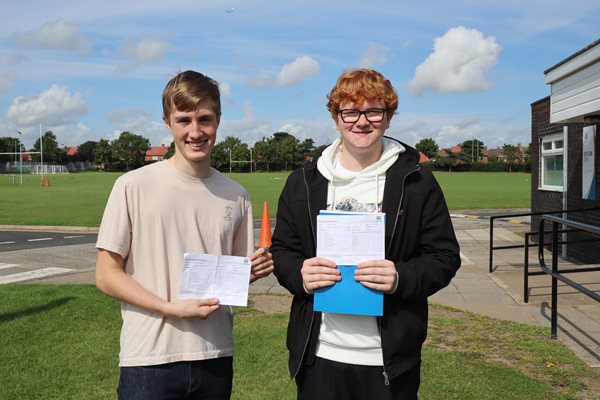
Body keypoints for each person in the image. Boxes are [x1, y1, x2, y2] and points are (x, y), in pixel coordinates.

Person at [271, 69, 461, 399]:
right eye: (350, 111)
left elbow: (444, 257)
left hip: (388, 360)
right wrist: (300, 273)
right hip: (319, 355)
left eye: (374, 111)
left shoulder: (416, 181)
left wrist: (401, 276)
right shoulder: (303, 181)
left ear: (388, 118)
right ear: (336, 117)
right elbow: (283, 251)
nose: (362, 121)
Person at [95, 70, 274, 400]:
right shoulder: (132, 186)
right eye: (184, 120)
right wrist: (169, 308)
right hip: (149, 358)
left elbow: (230, 278)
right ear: (167, 123)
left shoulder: (237, 195)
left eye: (205, 119)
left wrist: (250, 272)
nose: (196, 131)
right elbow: (106, 275)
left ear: (218, 120)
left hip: (214, 354)